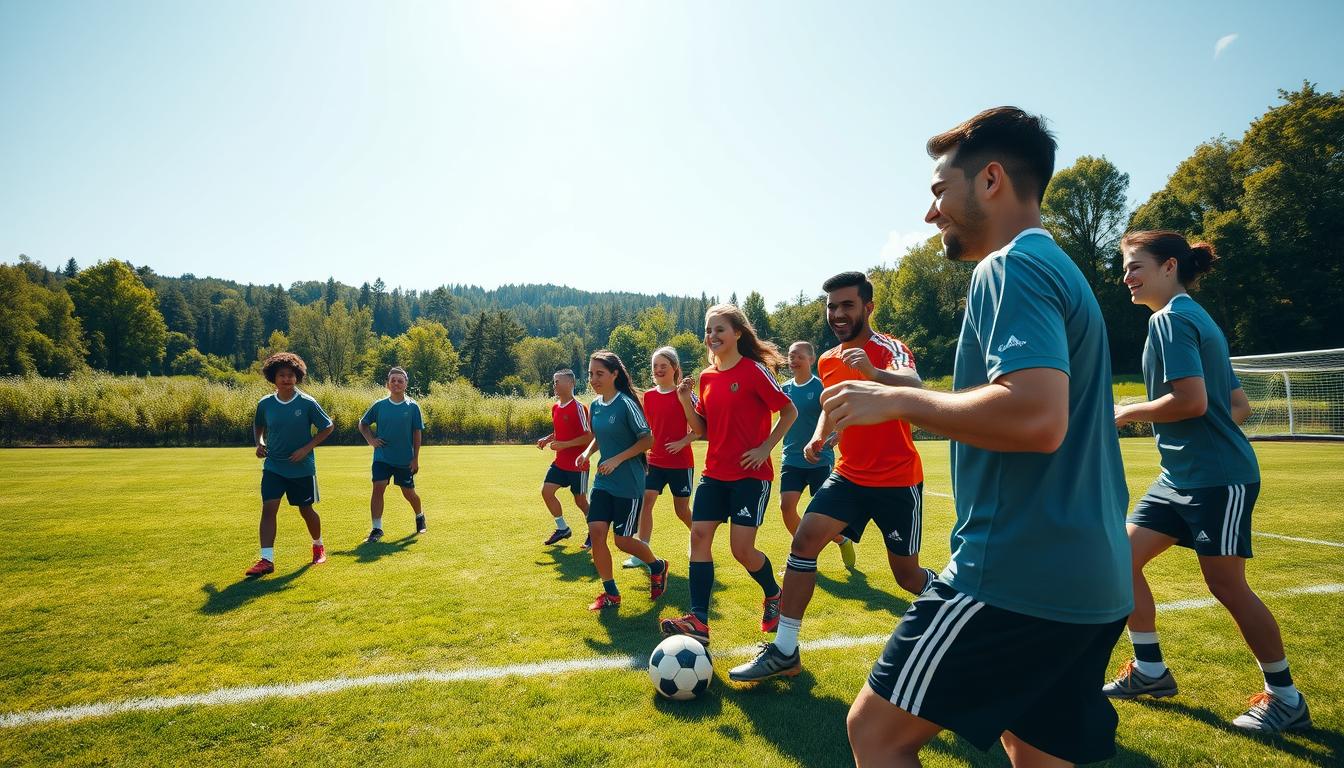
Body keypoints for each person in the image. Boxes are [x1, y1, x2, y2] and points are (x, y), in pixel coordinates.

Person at [831, 107, 1132, 767]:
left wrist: (897, 400)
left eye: (940, 191)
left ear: (991, 180)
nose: (932, 213)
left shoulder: (1011, 267)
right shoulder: (1060, 269)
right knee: (1031, 749)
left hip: (1014, 579)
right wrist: (899, 389)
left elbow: (1035, 416)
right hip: (1094, 583)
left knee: (875, 735)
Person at [1107, 230, 1309, 733]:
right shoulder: (1195, 318)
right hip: (1179, 477)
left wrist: (1125, 412)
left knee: (1226, 585)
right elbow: (1236, 406)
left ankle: (1286, 698)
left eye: (1136, 266)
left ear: (1169, 267)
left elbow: (1192, 403)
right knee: (1120, 558)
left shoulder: (1172, 320)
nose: (1126, 277)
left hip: (1218, 480)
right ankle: (1151, 670)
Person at [730, 273, 931, 683]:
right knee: (803, 541)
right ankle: (785, 651)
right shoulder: (828, 359)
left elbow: (915, 384)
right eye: (832, 306)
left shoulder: (888, 349)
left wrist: (875, 372)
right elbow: (829, 402)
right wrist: (822, 434)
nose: (837, 314)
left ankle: (961, 604)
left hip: (897, 480)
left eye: (847, 306)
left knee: (907, 576)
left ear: (868, 308)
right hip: (849, 475)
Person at [659, 304, 797, 646]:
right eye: (708, 330)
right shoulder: (706, 377)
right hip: (714, 473)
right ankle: (699, 620)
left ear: (737, 333)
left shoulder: (754, 371)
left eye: (719, 329)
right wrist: (685, 402)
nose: (713, 335)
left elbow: (789, 411)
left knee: (742, 550)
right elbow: (702, 430)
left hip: (751, 475)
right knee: (699, 536)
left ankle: (773, 595)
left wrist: (766, 448)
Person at [576, 350, 669, 610]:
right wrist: (586, 453)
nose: (593, 379)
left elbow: (647, 439)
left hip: (629, 482)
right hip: (603, 482)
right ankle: (611, 593)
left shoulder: (626, 403)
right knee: (596, 533)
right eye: (591, 374)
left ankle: (658, 566)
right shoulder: (595, 405)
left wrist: (617, 459)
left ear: (615, 374)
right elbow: (600, 436)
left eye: (600, 374)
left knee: (623, 541)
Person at [246, 352, 335, 578]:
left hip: (302, 469)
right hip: (274, 467)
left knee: (306, 510)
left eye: (291, 375)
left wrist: (306, 448)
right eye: (282, 375)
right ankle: (266, 560)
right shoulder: (265, 404)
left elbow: (328, 427)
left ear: (297, 377)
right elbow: (259, 425)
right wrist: (260, 443)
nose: (286, 379)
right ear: (273, 378)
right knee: (269, 509)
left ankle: (318, 546)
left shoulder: (307, 403)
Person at [775, 341, 852, 565]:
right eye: (790, 356)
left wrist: (839, 433)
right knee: (786, 507)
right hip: (791, 458)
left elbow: (839, 414)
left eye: (799, 356)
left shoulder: (821, 387)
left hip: (820, 459)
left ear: (811, 359)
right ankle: (802, 552)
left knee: (821, 517)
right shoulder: (784, 389)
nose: (793, 360)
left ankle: (841, 540)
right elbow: (781, 419)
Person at [622, 346, 698, 569]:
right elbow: (645, 427)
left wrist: (683, 441)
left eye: (663, 366)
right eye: (655, 366)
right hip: (654, 461)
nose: (658, 370)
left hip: (681, 463)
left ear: (675, 368)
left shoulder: (685, 394)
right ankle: (642, 551)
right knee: (646, 501)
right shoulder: (649, 396)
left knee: (681, 510)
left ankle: (698, 538)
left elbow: (701, 427)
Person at [358, 367, 427, 543]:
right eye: (393, 380)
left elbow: (417, 433)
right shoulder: (379, 405)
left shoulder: (412, 407)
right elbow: (363, 424)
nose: (396, 383)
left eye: (400, 380)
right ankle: (377, 528)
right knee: (378, 487)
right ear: (387, 384)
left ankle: (419, 516)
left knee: (408, 493)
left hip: (404, 459)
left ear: (406, 384)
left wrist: (415, 458)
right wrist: (371, 440)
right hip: (382, 457)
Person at [536, 369, 592, 548]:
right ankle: (562, 529)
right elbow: (560, 431)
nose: (555, 385)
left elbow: (588, 437)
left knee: (580, 501)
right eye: (554, 382)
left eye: (558, 381)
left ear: (571, 384)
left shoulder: (579, 408)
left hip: (578, 465)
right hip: (560, 464)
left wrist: (564, 445)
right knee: (546, 491)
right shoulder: (555, 407)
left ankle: (594, 532)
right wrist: (548, 438)